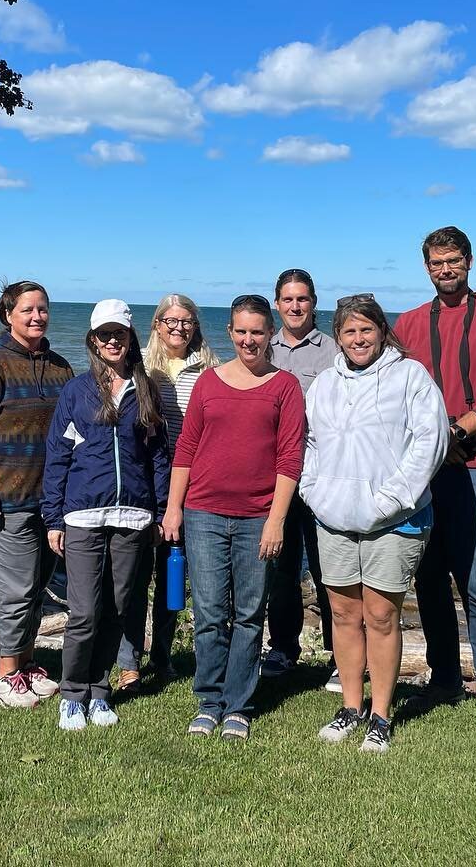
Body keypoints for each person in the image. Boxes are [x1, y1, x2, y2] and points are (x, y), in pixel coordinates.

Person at [393, 227, 476, 728]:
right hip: (421, 470)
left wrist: (456, 432)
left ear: (469, 262)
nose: (445, 270)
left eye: (453, 261)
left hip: (474, 467)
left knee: (475, 579)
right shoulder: (407, 324)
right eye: (436, 263)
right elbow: (392, 389)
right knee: (426, 577)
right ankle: (444, 679)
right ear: (426, 267)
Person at [301, 295, 448, 752]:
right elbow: (307, 443)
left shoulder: (410, 377)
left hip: (396, 519)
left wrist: (390, 499)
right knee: (344, 615)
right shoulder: (325, 383)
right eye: (349, 331)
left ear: (382, 330)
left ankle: (381, 717)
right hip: (334, 517)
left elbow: (430, 442)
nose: (358, 339)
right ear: (338, 337)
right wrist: (314, 492)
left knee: (381, 616)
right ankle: (350, 707)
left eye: (366, 329)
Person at [162, 294, 306, 741]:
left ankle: (239, 704)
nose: (249, 340)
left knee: (248, 614)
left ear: (270, 335)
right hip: (202, 512)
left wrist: (277, 520)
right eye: (241, 331)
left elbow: (290, 458)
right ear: (230, 332)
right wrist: (172, 507)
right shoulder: (208, 382)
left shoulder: (285, 387)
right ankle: (209, 700)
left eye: (258, 332)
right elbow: (186, 447)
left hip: (257, 516)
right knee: (207, 611)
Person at [41, 300, 171, 731]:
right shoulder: (77, 391)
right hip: (82, 516)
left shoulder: (146, 388)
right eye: (104, 335)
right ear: (93, 341)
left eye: (119, 334)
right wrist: (53, 518)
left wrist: (159, 510)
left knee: (117, 608)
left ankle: (99, 692)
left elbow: (157, 456)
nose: (112, 341)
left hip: (133, 516)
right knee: (84, 612)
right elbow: (57, 455)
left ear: (130, 338)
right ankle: (72, 692)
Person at [0, 280, 74, 709]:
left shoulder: (59, 366)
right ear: (8, 315)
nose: (37, 316)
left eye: (42, 309)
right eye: (27, 310)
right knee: (16, 590)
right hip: (7, 497)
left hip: (51, 501)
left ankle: (26, 663)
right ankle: (5, 676)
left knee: (36, 587)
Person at [116, 294, 219, 690]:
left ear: (196, 326)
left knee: (174, 576)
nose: (178, 327)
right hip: (144, 481)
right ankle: (129, 662)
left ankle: (163, 657)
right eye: (170, 320)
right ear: (156, 323)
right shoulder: (138, 365)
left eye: (187, 321)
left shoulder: (211, 369)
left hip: (192, 485)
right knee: (135, 576)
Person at [263, 269, 339, 685]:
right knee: (282, 567)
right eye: (288, 300)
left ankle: (339, 655)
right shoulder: (262, 348)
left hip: (322, 475)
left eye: (303, 299)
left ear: (314, 303)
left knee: (331, 569)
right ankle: (283, 648)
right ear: (277, 303)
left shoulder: (332, 351)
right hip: (275, 476)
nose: (295, 307)